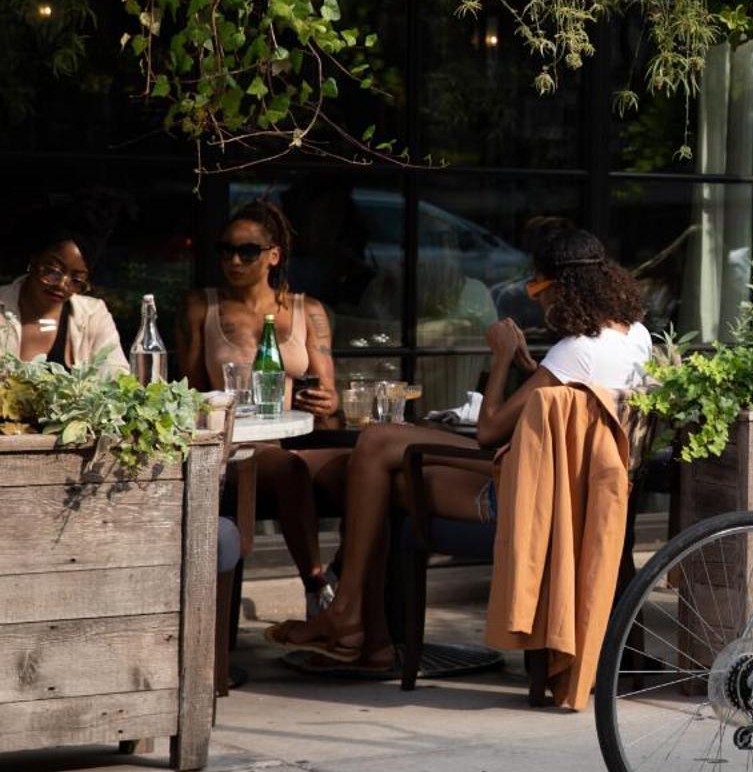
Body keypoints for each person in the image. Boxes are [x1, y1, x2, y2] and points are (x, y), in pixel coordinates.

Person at [265, 227, 652, 668]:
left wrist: (502, 358)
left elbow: (488, 433)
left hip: (526, 502)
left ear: (564, 288)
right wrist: (535, 370)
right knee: (377, 452)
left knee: (378, 462)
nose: (535, 300)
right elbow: (561, 417)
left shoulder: (573, 351)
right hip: (575, 494)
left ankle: (353, 619)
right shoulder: (636, 338)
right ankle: (353, 621)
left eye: (537, 288)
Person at [177, 199, 346, 617]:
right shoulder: (203, 306)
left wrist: (329, 400)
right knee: (288, 469)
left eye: (247, 251)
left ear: (273, 256)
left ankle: (348, 581)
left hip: (300, 440)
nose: (233, 261)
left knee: (368, 472)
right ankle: (315, 586)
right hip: (238, 445)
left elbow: (330, 396)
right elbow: (187, 393)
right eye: (225, 250)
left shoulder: (308, 310)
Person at [0, 224, 129, 374]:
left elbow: (116, 375)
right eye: (52, 271)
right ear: (34, 260)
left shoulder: (93, 315)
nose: (61, 285)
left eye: (76, 280)